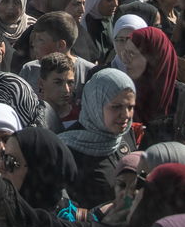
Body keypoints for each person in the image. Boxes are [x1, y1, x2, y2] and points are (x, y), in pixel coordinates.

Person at [58, 68, 138, 209]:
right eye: (116, 107)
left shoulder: (124, 134)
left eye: (130, 107)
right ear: (95, 105)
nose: (126, 115)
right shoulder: (67, 150)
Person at [121, 26, 182, 142]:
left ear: (153, 58)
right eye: (125, 53)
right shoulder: (125, 92)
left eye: (132, 54)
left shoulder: (180, 97)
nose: (125, 60)